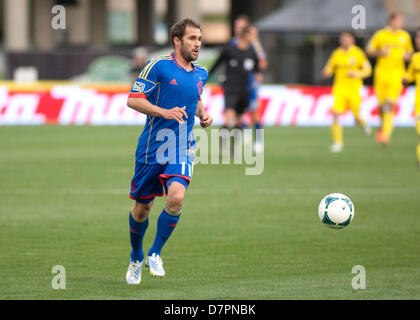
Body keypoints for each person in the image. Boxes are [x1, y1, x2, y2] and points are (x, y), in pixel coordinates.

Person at [125, 18, 212, 285]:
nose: (197, 44)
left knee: (176, 197)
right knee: (142, 209)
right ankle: (137, 256)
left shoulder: (201, 73)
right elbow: (133, 99)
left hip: (182, 146)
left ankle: (155, 253)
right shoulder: (158, 66)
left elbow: (194, 98)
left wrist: (203, 114)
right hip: (152, 148)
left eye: (199, 39)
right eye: (192, 39)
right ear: (177, 40)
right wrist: (164, 112)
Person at [209, 25, 260, 155]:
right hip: (231, 88)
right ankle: (223, 148)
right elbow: (217, 64)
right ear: (246, 35)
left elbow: (257, 69)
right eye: (253, 35)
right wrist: (206, 78)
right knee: (228, 118)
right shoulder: (230, 50)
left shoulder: (252, 52)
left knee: (239, 120)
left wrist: (258, 76)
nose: (254, 38)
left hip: (245, 90)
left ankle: (233, 149)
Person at [366, 12, 413, 145]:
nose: (401, 24)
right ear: (391, 21)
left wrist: (407, 56)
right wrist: (381, 52)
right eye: (399, 21)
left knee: (391, 104)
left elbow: (409, 52)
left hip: (397, 74)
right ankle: (383, 127)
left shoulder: (404, 36)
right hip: (381, 73)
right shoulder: (380, 35)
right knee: (382, 106)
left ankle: (385, 134)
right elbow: (369, 50)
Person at [322, 31, 372, 153]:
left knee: (356, 118)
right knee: (336, 114)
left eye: (347, 39)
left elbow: (368, 70)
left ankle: (364, 123)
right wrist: (326, 72)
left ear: (352, 40)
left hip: (354, 89)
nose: (344, 41)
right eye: (342, 39)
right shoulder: (337, 54)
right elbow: (329, 67)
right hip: (339, 89)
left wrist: (357, 74)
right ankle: (337, 143)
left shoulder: (358, 53)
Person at [231, 15, 267, 152]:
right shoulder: (233, 43)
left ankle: (258, 141)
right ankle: (242, 135)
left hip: (250, 83)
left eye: (240, 26)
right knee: (236, 111)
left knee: (254, 111)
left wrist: (255, 40)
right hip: (235, 83)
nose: (237, 29)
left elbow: (262, 63)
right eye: (236, 26)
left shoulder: (253, 44)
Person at [403, 28, 420, 168]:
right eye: (416, 37)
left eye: (419, 37)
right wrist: (405, 78)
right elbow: (410, 76)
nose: (417, 40)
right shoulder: (415, 58)